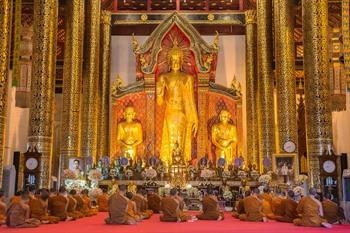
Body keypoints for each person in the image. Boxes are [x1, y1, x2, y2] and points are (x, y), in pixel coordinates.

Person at [156, 42, 198, 166]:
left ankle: (181, 164)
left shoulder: (187, 78)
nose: (175, 63)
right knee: (170, 138)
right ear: (169, 61)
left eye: (177, 60)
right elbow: (159, 103)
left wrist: (195, 118)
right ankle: (168, 165)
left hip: (182, 112)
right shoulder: (164, 78)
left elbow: (190, 100)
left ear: (181, 61)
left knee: (181, 138)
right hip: (170, 111)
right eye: (173, 60)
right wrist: (159, 92)